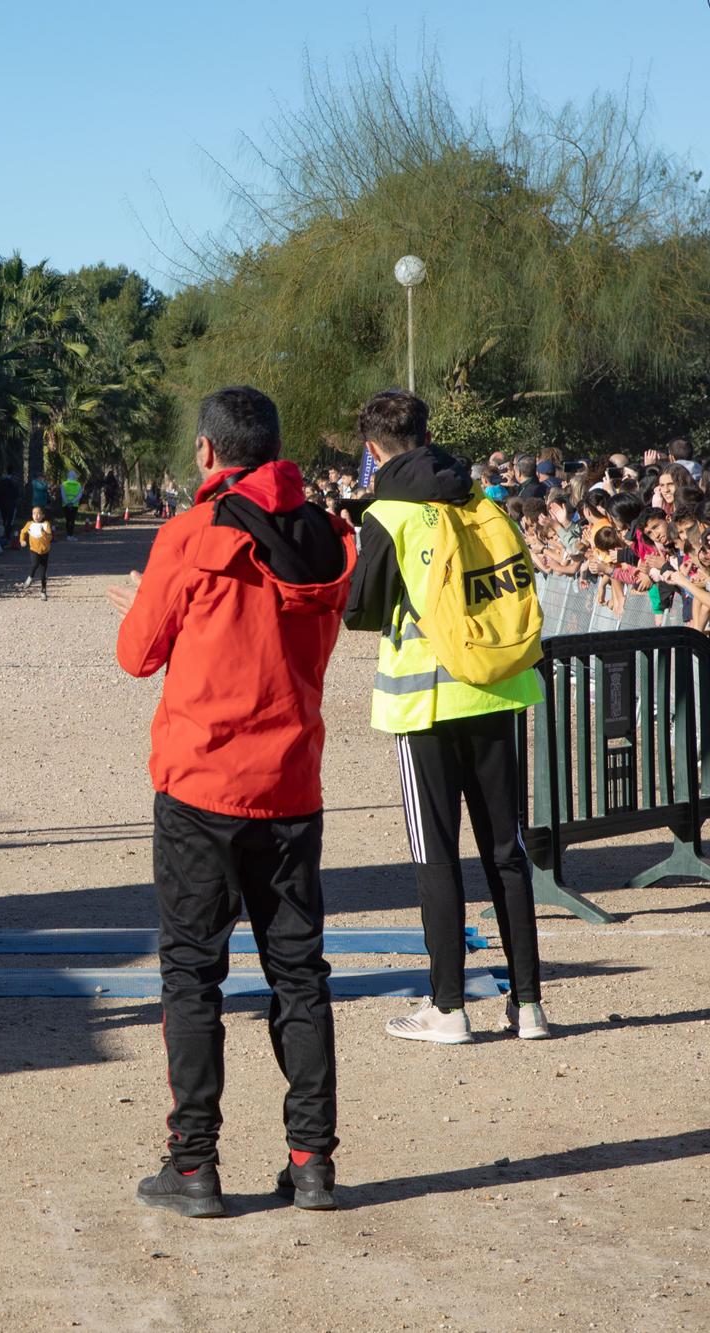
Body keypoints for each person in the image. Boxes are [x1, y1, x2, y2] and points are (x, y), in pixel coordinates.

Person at [109, 385, 355, 1218]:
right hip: (290, 781)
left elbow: (137, 655)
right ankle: (312, 1160)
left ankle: (193, 1164)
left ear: (209, 453)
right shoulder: (323, 535)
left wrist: (150, 605)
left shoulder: (190, 533)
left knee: (191, 972)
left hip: (202, 785)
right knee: (299, 974)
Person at [342, 389, 549, 1046]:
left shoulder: (391, 512)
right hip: (497, 688)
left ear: (372, 450)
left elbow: (361, 610)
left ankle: (448, 1006)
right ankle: (529, 1004)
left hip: (426, 697)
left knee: (437, 853)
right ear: (426, 435)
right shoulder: (479, 498)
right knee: (505, 850)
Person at [18, 506, 54, 598]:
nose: (36, 516)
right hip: (34, 550)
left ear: (43, 515)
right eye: (34, 513)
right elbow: (22, 532)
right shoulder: (29, 524)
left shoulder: (46, 524)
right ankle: (29, 578)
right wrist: (22, 541)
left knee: (43, 574)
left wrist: (44, 533)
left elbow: (50, 538)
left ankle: (43, 591)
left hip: (45, 551)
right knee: (35, 564)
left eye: (38, 514)